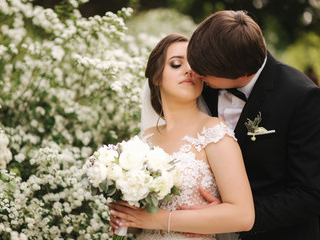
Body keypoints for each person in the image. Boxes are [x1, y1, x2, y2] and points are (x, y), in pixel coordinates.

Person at [183, 10, 320, 240]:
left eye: (204, 74)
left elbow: (311, 194)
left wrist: (231, 217)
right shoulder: (204, 89)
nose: (195, 75)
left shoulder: (302, 97)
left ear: (241, 74)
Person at [109, 34, 255, 239]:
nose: (189, 70)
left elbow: (243, 216)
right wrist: (125, 217)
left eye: (195, 65)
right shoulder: (143, 140)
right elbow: (140, 223)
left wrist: (158, 219)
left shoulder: (214, 132)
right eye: (176, 64)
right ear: (156, 76)